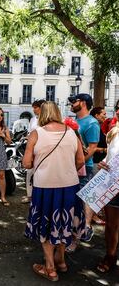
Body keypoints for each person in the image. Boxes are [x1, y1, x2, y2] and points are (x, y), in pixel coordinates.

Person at [23, 101, 85, 282]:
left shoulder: (36, 134)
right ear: (58, 113)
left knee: (46, 224)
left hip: (45, 187)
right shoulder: (71, 132)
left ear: (42, 114)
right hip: (70, 185)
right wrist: (65, 169)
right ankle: (61, 260)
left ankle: (50, 268)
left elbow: (27, 163)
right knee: (64, 223)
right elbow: (80, 161)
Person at [68, 93, 100, 243]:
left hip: (83, 168)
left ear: (84, 103)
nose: (72, 104)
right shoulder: (76, 120)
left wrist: (78, 164)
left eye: (74, 101)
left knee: (81, 202)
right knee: (74, 203)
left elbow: (92, 148)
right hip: (73, 167)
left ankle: (83, 231)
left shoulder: (92, 123)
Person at [96, 109, 119, 273]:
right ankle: (110, 255)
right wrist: (103, 163)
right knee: (111, 225)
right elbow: (110, 157)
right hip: (112, 184)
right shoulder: (114, 133)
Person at [22, 99, 45, 204]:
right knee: (30, 172)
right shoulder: (32, 119)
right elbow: (31, 133)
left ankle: (40, 195)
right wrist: (26, 137)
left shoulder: (46, 120)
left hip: (42, 149)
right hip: (32, 149)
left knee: (42, 172)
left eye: (35, 107)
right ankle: (29, 195)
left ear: (41, 108)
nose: (34, 109)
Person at [90, 107, 107, 225]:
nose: (105, 116)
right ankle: (93, 215)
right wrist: (104, 149)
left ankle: (95, 213)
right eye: (103, 114)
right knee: (96, 190)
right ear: (96, 115)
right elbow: (91, 147)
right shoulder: (94, 126)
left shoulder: (97, 126)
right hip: (95, 162)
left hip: (98, 162)